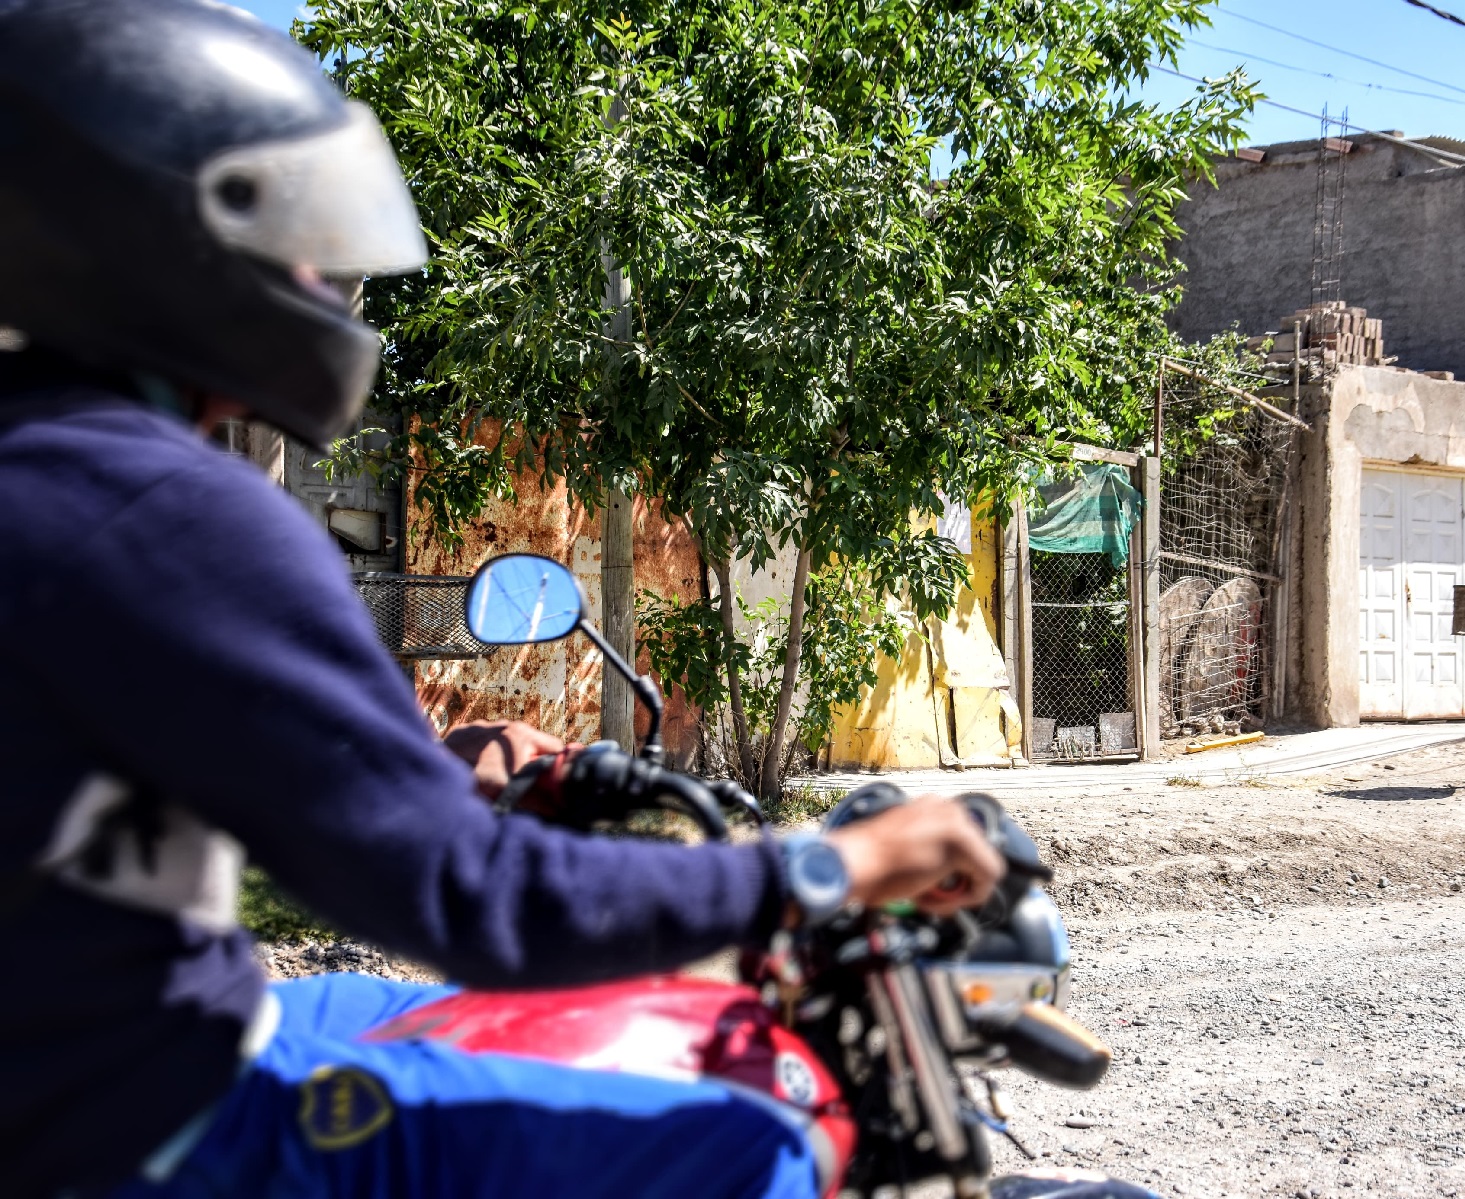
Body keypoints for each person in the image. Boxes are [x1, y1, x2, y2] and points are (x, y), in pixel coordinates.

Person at [0, 3, 1004, 1197]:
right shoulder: (168, 510)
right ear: (164, 234)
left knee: (424, 1014)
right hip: (127, 1128)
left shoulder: (49, 474)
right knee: (750, 1136)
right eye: (294, 237)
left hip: (69, 1034)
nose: (326, 281)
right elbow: (480, 904)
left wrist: (415, 773)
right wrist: (831, 866)